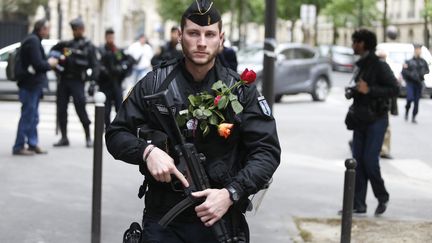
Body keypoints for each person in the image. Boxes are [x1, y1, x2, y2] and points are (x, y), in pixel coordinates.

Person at [105, 1, 281, 242]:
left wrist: (232, 193)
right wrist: (147, 151)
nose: (201, 42)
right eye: (193, 33)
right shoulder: (154, 84)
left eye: (209, 34)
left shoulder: (241, 92)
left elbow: (267, 151)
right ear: (180, 36)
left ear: (221, 38)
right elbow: (116, 134)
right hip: (164, 215)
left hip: (221, 216)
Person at [344, 29, 399, 216]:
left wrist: (370, 90)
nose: (353, 45)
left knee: (369, 160)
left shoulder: (378, 65)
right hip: (361, 118)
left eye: (355, 42)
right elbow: (360, 87)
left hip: (376, 119)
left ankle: (382, 196)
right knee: (356, 162)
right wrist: (354, 91)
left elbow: (394, 88)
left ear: (363, 44)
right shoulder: (360, 64)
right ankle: (358, 204)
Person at [51, 17, 99, 148]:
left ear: (82, 29)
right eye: (73, 29)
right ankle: (64, 137)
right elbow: (54, 52)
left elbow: (95, 65)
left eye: (76, 29)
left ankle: (88, 137)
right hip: (64, 80)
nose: (74, 31)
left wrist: (93, 82)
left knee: (81, 108)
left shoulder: (88, 46)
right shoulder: (68, 45)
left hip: (78, 81)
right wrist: (55, 60)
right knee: (61, 109)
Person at [12, 19, 58, 155]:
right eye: (47, 28)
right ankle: (19, 146)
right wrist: (50, 63)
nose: (48, 31)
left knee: (33, 116)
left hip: (31, 85)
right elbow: (38, 64)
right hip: (30, 85)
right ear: (41, 29)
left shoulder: (33, 40)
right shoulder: (33, 41)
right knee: (28, 116)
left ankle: (32, 144)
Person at [98, 28, 134, 128]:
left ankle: (117, 128)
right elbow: (97, 64)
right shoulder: (101, 50)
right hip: (105, 84)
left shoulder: (116, 50)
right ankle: (107, 127)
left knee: (119, 108)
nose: (111, 39)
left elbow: (125, 60)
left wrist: (122, 67)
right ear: (105, 37)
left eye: (112, 37)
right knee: (106, 110)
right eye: (109, 37)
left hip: (116, 83)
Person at [401, 43, 429, 124]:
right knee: (409, 98)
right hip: (410, 83)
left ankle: (413, 116)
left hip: (419, 83)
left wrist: (422, 73)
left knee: (416, 101)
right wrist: (410, 75)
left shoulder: (423, 61)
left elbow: (427, 70)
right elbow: (404, 72)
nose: (418, 51)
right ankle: (407, 111)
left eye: (419, 49)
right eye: (416, 49)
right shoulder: (409, 61)